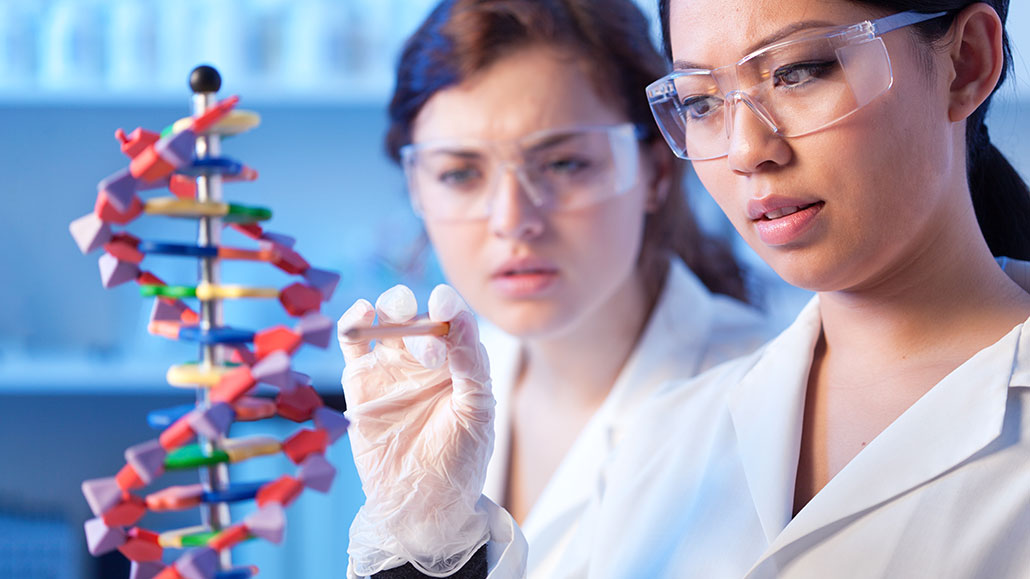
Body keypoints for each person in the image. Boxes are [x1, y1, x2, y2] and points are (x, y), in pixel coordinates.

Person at [345, 0, 1030, 577]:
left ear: (966, 62)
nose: (743, 148)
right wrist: (427, 547)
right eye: (702, 102)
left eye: (800, 71)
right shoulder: (663, 435)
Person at [337, 0, 776, 576]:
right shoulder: (426, 404)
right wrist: (422, 545)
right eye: (460, 173)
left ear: (655, 172)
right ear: (417, 189)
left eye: (564, 163)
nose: (513, 219)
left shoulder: (769, 409)